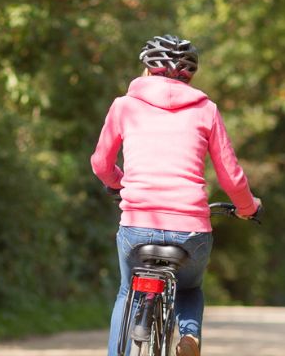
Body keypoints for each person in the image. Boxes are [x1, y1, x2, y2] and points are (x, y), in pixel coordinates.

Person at [91, 34, 261, 356]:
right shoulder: (206, 110)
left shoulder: (124, 106)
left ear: (147, 69)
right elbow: (231, 175)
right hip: (190, 229)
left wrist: (119, 183)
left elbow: (101, 163)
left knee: (127, 292)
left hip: (138, 225)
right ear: (190, 75)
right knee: (190, 288)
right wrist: (247, 208)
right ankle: (190, 336)